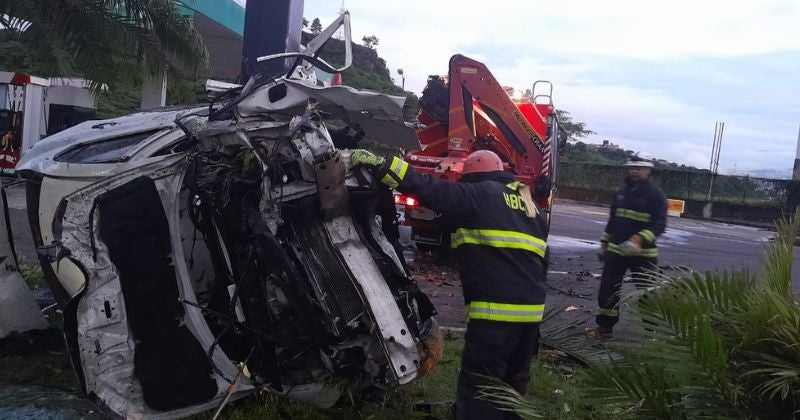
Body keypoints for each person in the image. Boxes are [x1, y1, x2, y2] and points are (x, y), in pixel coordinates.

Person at [350, 149, 549, 420]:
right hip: (531, 315)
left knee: (481, 385)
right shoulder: (530, 208)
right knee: (511, 387)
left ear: (472, 177)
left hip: (496, 315)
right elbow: (542, 261)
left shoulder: (479, 195)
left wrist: (385, 166)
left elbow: (430, 188)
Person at [589, 152, 667, 337]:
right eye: (631, 167)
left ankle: (653, 332)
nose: (633, 171)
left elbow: (659, 224)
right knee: (608, 290)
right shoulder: (622, 192)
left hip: (643, 255)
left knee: (646, 293)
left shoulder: (656, 195)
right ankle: (604, 328)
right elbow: (613, 220)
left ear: (648, 170)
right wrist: (604, 244)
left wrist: (639, 239)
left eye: (638, 168)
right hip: (616, 252)